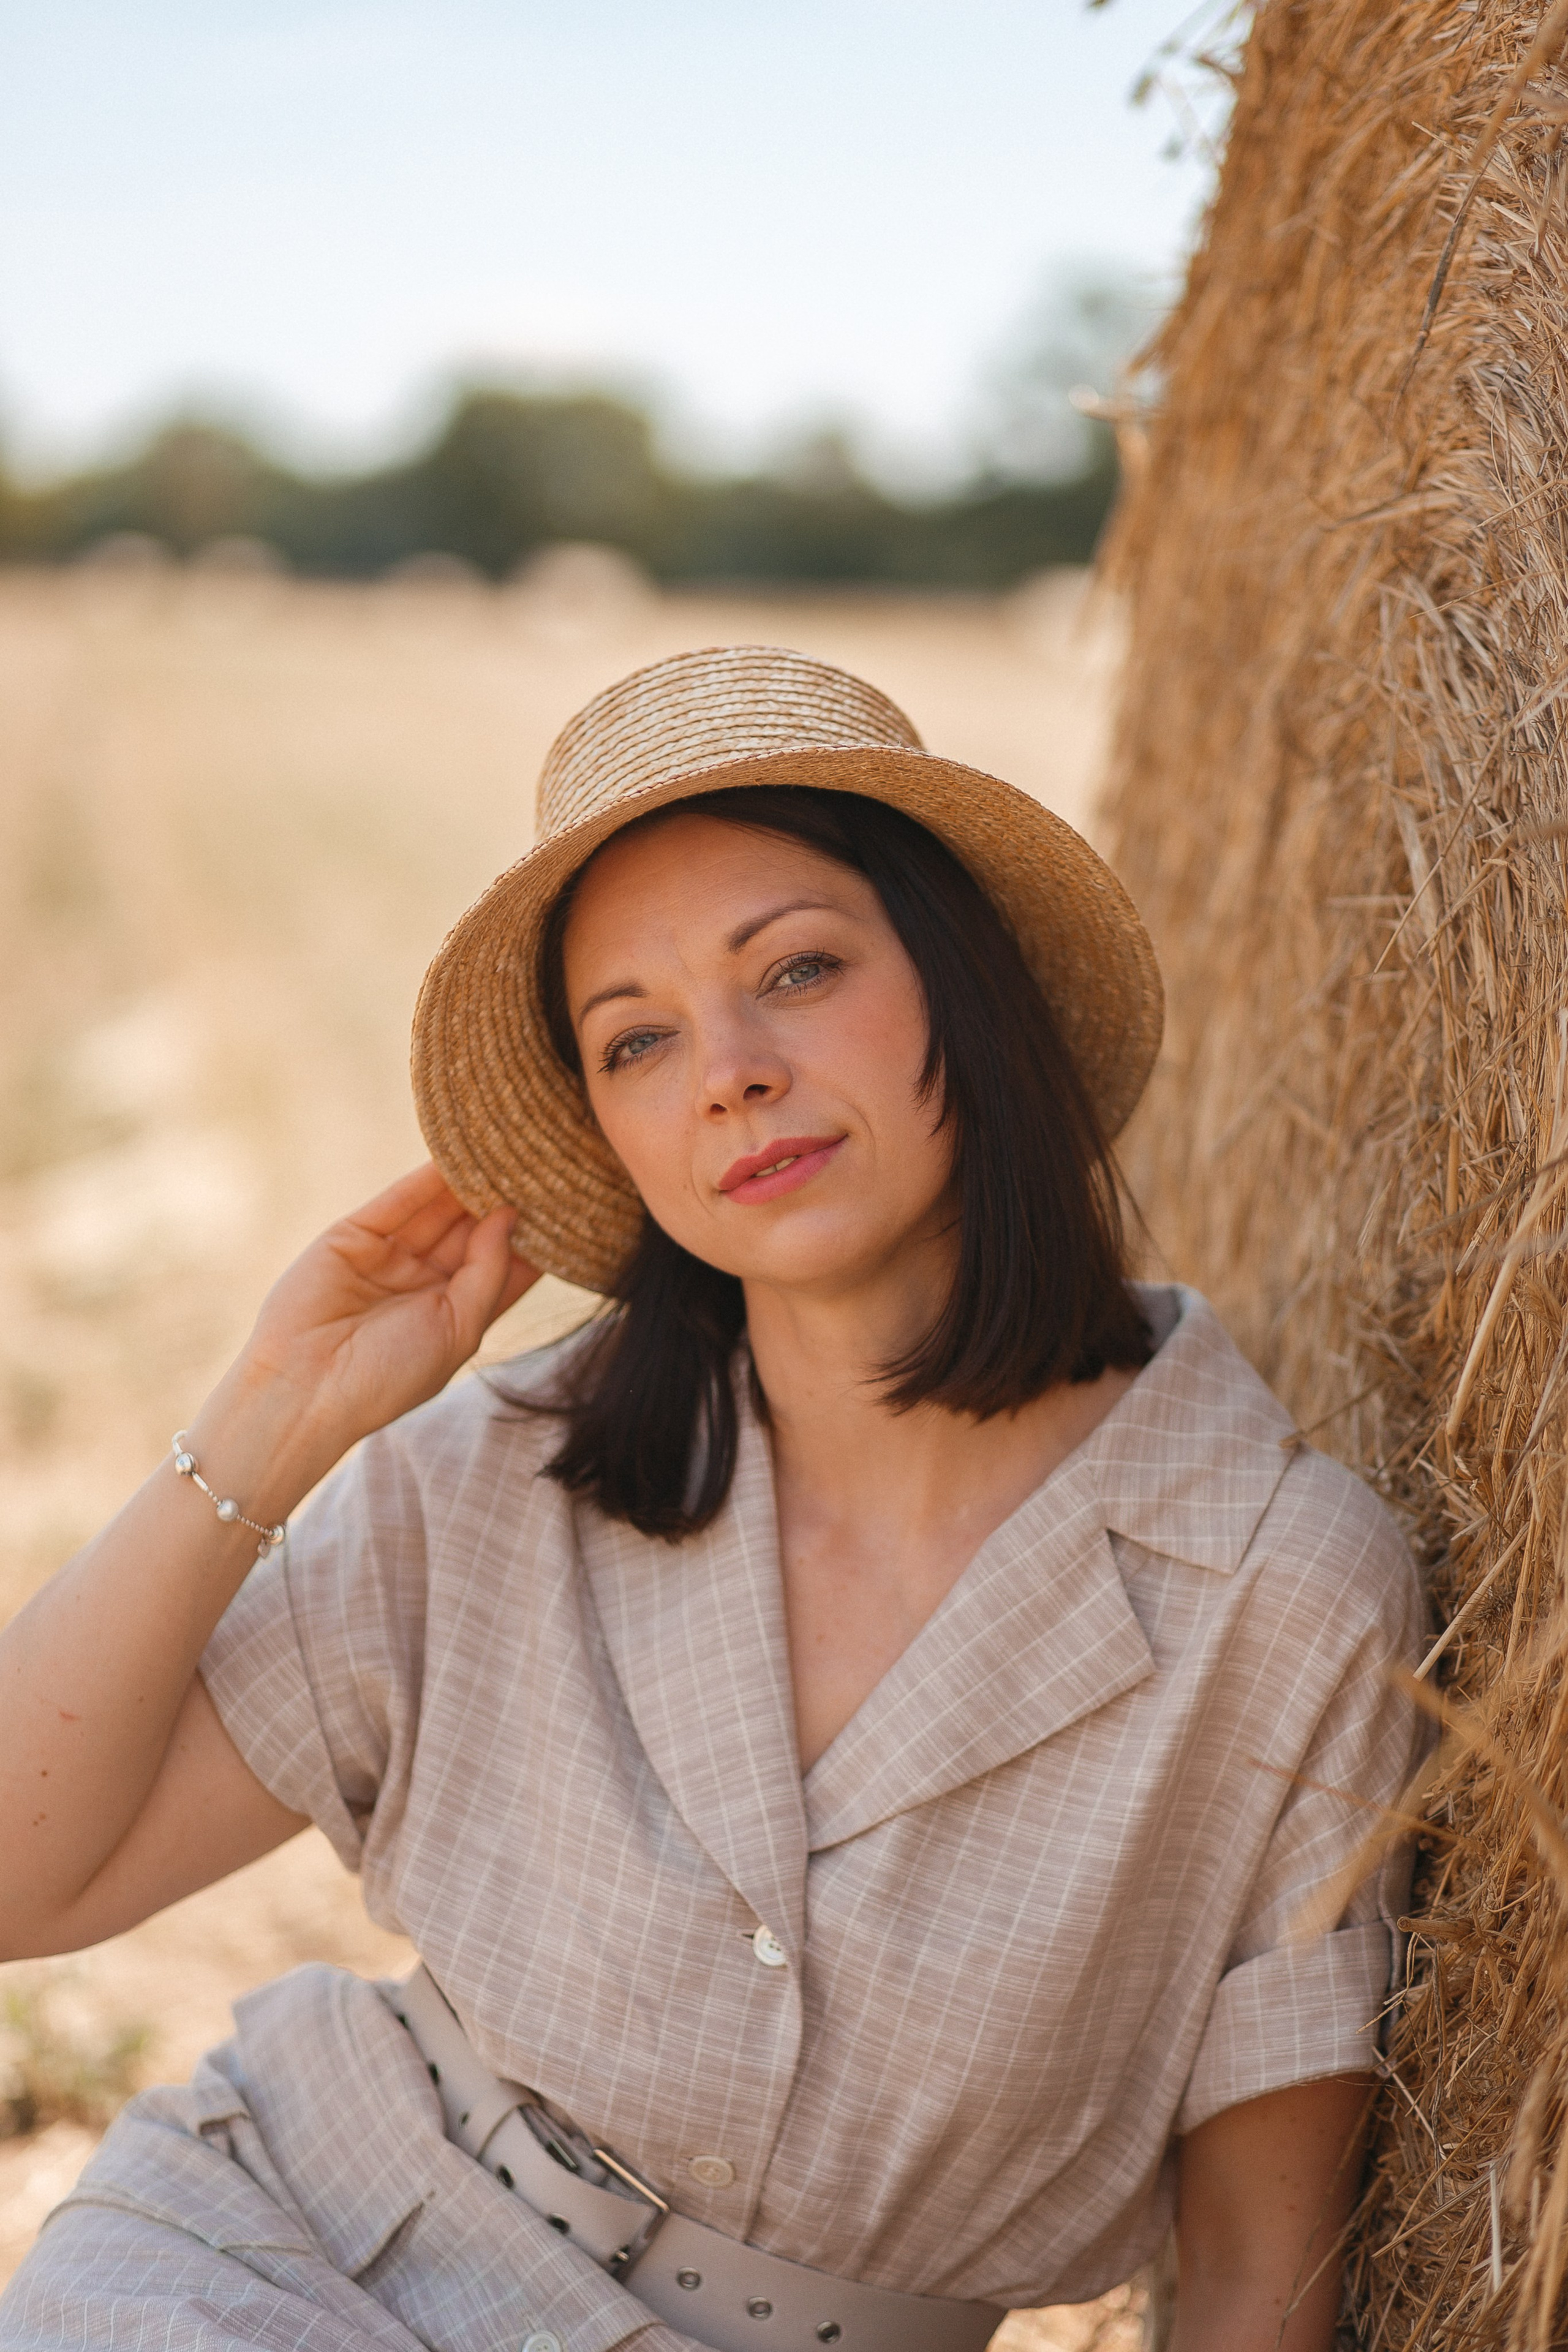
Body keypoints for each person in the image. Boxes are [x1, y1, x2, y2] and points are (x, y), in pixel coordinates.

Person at [0, 647, 1423, 2352]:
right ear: (612, 1133)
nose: (728, 1071)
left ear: (971, 988)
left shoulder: (1282, 1590)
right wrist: (265, 1426)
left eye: (799, 969)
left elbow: (1266, 2283)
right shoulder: (495, 1479)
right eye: (638, 1041)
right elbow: (27, 1879)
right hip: (275, 2254)